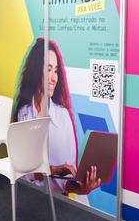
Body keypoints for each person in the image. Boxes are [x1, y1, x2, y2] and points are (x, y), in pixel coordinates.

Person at [13, 38, 101, 195]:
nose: (54, 78)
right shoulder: (23, 115)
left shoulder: (63, 115)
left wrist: (81, 189)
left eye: (56, 70)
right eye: (48, 69)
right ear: (35, 71)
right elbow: (23, 172)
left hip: (58, 200)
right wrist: (53, 169)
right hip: (30, 196)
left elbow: (67, 180)